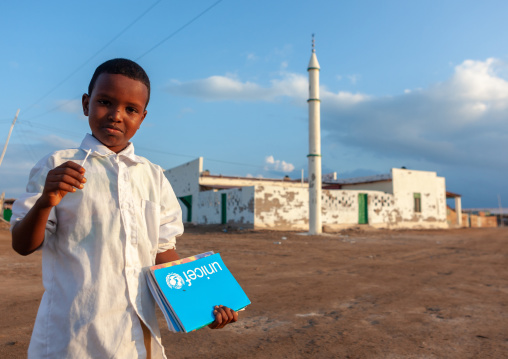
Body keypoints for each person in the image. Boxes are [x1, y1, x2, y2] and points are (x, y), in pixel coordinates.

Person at [11, 58, 238, 358]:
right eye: (105, 102)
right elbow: (22, 245)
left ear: (143, 118)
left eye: (131, 109)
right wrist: (45, 202)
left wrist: (203, 308)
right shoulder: (58, 167)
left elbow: (163, 253)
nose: (117, 115)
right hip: (70, 340)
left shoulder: (154, 177)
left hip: (134, 341)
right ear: (86, 103)